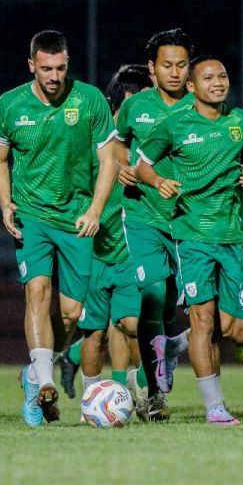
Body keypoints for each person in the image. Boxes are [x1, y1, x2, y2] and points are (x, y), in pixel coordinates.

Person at [0, 30, 116, 426]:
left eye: (61, 68)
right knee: (37, 292)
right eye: (46, 69)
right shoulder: (9, 105)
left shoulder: (90, 99)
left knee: (71, 314)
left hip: (77, 217)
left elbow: (109, 160)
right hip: (32, 216)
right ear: (32, 66)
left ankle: (33, 372)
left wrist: (95, 209)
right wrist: (5, 202)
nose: (55, 76)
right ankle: (43, 382)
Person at [135, 56, 243, 425]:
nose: (218, 82)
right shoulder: (175, 124)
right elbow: (141, 164)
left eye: (223, 75)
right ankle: (215, 408)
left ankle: (173, 346)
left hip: (234, 239)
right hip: (192, 236)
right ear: (192, 87)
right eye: (208, 77)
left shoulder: (240, 122)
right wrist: (157, 181)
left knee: (236, 329)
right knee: (203, 318)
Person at [112, 28, 196, 419]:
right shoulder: (135, 106)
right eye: (167, 65)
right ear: (152, 68)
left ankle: (166, 353)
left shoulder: (202, 107)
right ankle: (151, 392)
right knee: (152, 295)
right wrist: (121, 167)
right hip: (142, 214)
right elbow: (117, 143)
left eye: (182, 65)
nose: (175, 72)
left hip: (187, 221)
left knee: (171, 307)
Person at [76, 64, 151, 404]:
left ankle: (142, 390)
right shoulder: (95, 142)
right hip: (92, 252)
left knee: (134, 325)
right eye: (138, 102)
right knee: (93, 335)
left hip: (130, 255)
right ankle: (90, 398)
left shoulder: (150, 145)